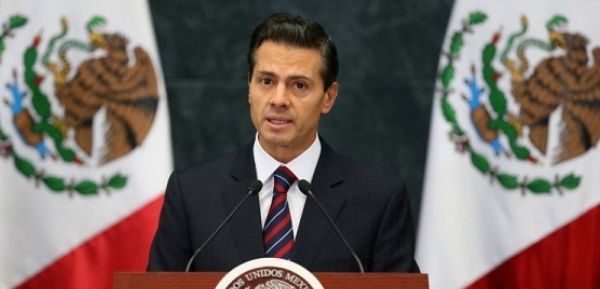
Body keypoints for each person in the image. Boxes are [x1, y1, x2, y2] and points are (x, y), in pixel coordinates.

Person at [147, 13, 419, 273]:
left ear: (329, 97)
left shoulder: (378, 200)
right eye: (266, 81)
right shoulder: (192, 194)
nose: (278, 99)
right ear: (249, 88)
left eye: (299, 85)